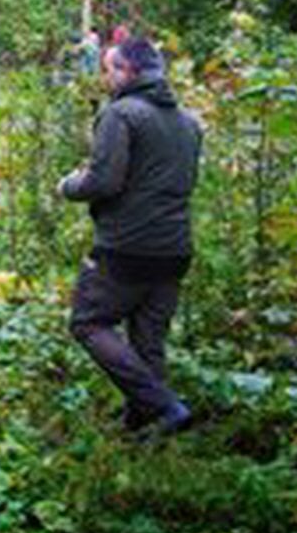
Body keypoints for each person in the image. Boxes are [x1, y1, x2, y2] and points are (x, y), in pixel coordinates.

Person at [59, 35, 202, 440]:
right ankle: (143, 427)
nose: (105, 78)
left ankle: (166, 406)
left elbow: (104, 181)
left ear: (128, 72)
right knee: (148, 341)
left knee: (88, 323)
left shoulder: (121, 114)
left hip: (127, 246)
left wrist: (69, 185)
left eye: (108, 69)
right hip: (175, 248)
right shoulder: (189, 123)